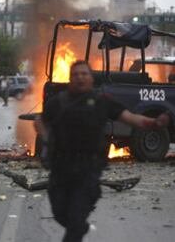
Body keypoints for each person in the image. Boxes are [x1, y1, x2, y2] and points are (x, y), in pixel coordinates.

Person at [34, 60, 170, 242]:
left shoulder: (102, 102)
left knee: (76, 218)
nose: (80, 78)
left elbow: (130, 118)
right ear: (69, 79)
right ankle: (79, 227)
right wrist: (47, 139)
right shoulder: (58, 102)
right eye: (76, 75)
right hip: (61, 169)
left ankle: (77, 228)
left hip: (88, 170)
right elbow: (39, 121)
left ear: (91, 79)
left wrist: (153, 123)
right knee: (60, 214)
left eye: (84, 74)